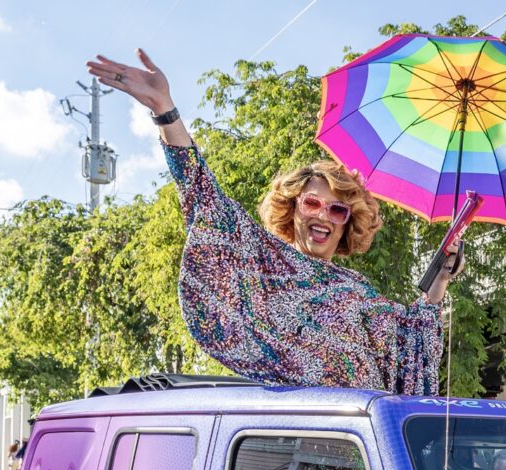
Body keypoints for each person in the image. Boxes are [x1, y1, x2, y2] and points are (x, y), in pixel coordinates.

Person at [86, 49, 462, 395]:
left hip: (357, 437)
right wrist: (165, 110)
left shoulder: (357, 291)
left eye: (337, 210)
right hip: (288, 435)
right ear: (293, 208)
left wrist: (440, 277)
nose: (323, 216)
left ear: (348, 224)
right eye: (313, 203)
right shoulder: (265, 266)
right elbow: (203, 194)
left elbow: (411, 348)